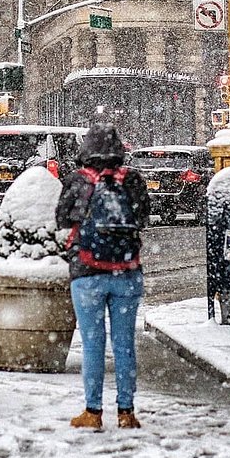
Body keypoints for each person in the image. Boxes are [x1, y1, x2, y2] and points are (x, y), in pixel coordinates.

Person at [56, 123, 150, 431]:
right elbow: (142, 218)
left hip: (87, 274)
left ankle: (93, 412)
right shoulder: (132, 179)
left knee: (92, 344)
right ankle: (126, 411)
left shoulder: (76, 181)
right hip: (127, 273)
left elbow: (61, 218)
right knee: (124, 345)